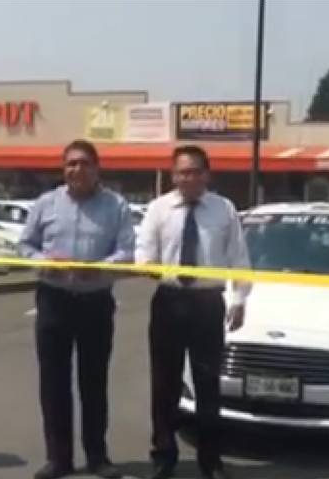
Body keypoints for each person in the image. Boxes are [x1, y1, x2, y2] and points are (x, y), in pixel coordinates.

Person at [18, 139, 135, 479]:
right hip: (54, 300)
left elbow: (127, 251)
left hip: (95, 302)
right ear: (63, 168)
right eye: (71, 164)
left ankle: (97, 456)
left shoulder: (116, 206)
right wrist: (43, 262)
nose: (77, 170)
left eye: (84, 163)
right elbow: (24, 245)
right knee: (53, 383)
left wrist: (98, 268)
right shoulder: (46, 203)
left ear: (97, 168)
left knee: (93, 382)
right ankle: (59, 458)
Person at [136, 145, 251, 479]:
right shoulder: (159, 209)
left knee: (207, 383)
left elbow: (238, 256)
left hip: (207, 303)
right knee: (164, 384)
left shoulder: (224, 209)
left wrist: (240, 299)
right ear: (173, 176)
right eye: (182, 172)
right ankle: (164, 455)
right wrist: (149, 267)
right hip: (169, 300)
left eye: (195, 172)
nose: (188, 178)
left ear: (206, 175)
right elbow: (144, 252)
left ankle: (210, 459)